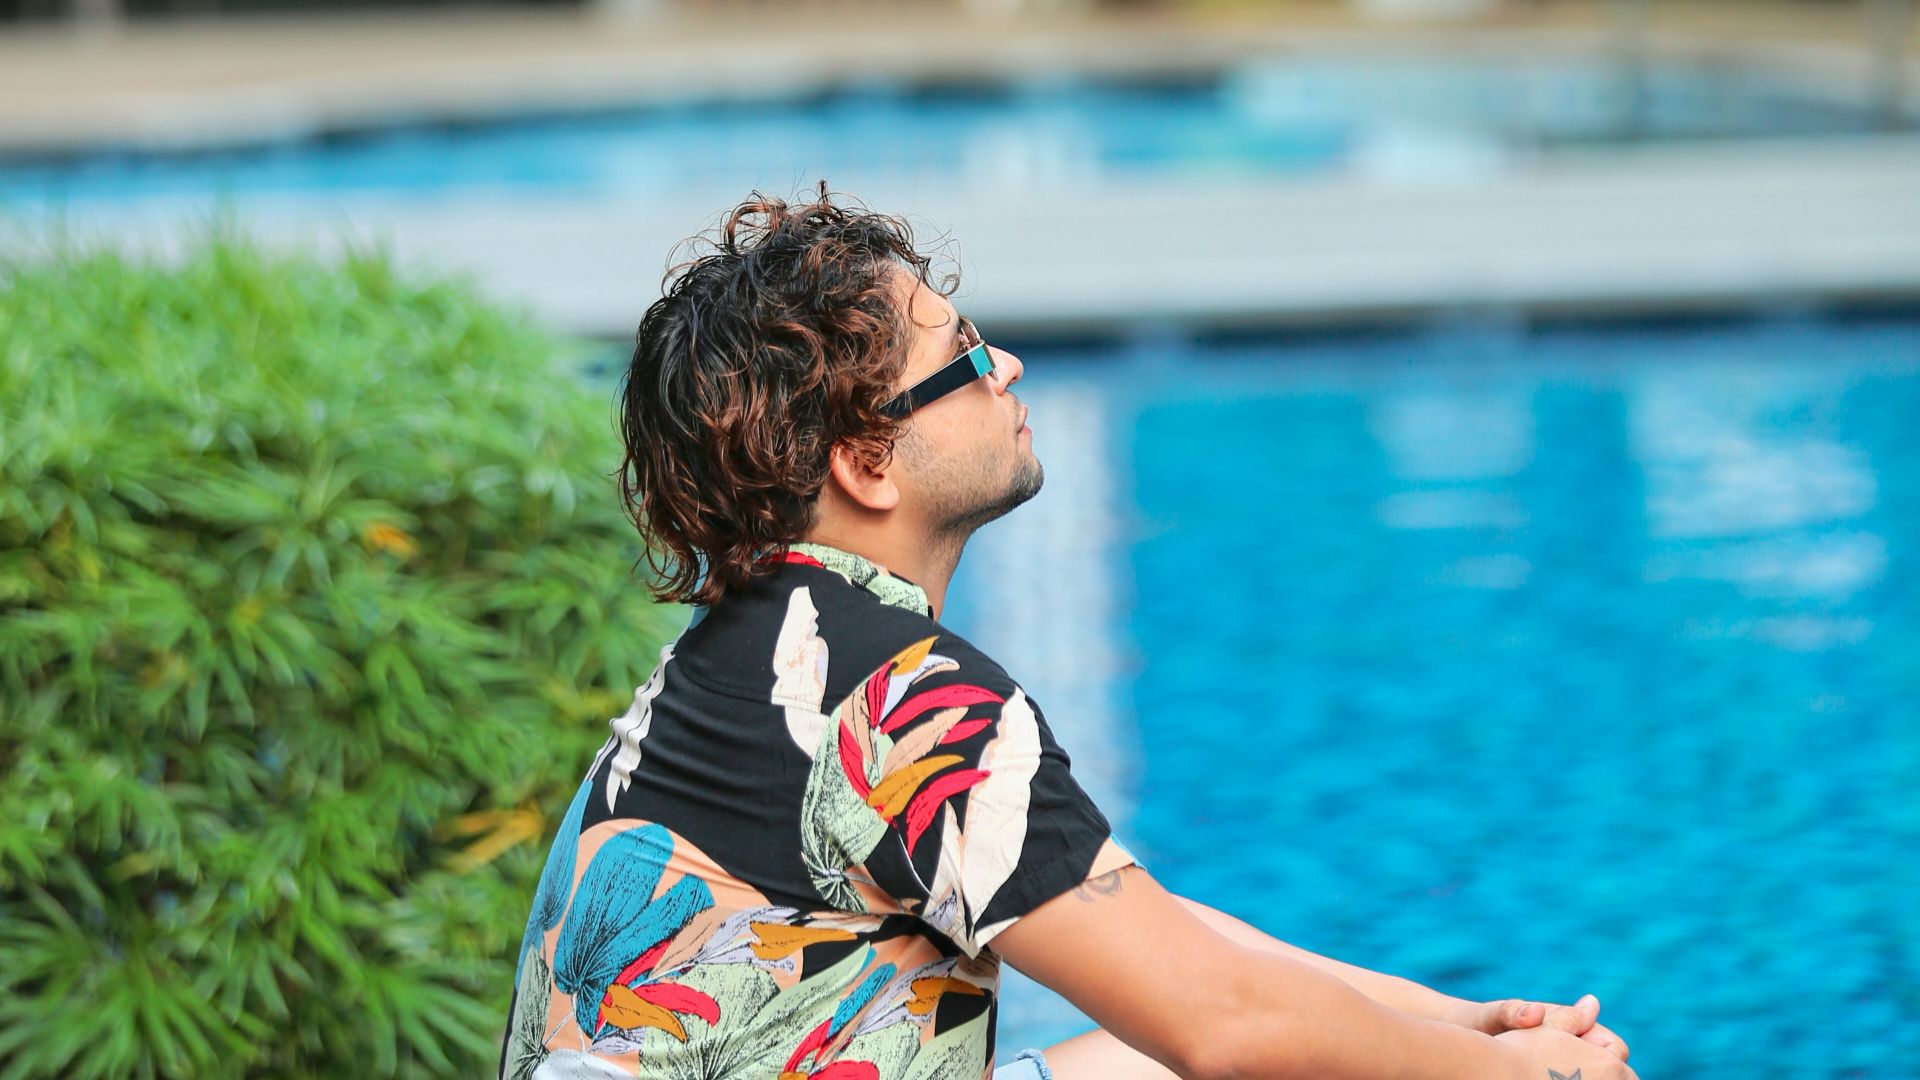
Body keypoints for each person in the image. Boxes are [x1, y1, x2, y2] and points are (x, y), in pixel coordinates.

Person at [499, 185, 1640, 1080]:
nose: (1009, 371)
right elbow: (1226, 1025)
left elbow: (1122, 915)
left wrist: (1457, 1022)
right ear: (867, 463)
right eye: (966, 361)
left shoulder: (759, 651)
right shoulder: (898, 699)